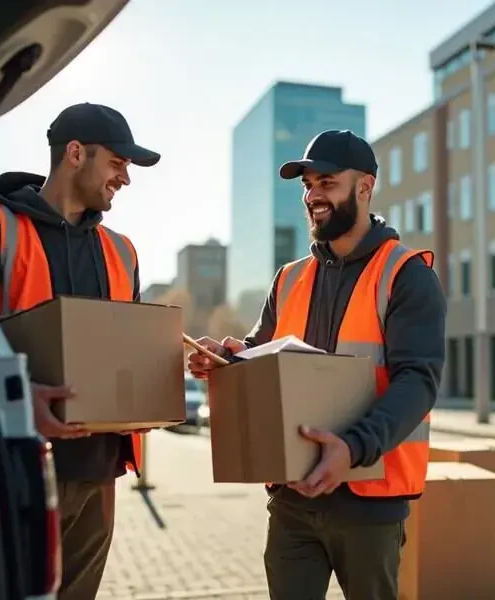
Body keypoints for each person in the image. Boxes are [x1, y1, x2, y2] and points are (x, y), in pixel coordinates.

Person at [188, 129, 447, 600]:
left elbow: (418, 381)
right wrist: (225, 361)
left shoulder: (407, 275)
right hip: (291, 500)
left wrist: (352, 447)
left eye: (326, 182)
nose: (313, 196)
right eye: (308, 185)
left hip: (369, 502)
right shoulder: (288, 279)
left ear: (365, 187)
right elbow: (261, 355)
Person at [0, 102, 160, 600]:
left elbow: (127, 350)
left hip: (99, 474)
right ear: (75, 153)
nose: (125, 178)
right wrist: (18, 400)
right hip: (15, 472)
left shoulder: (122, 251)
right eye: (117, 162)